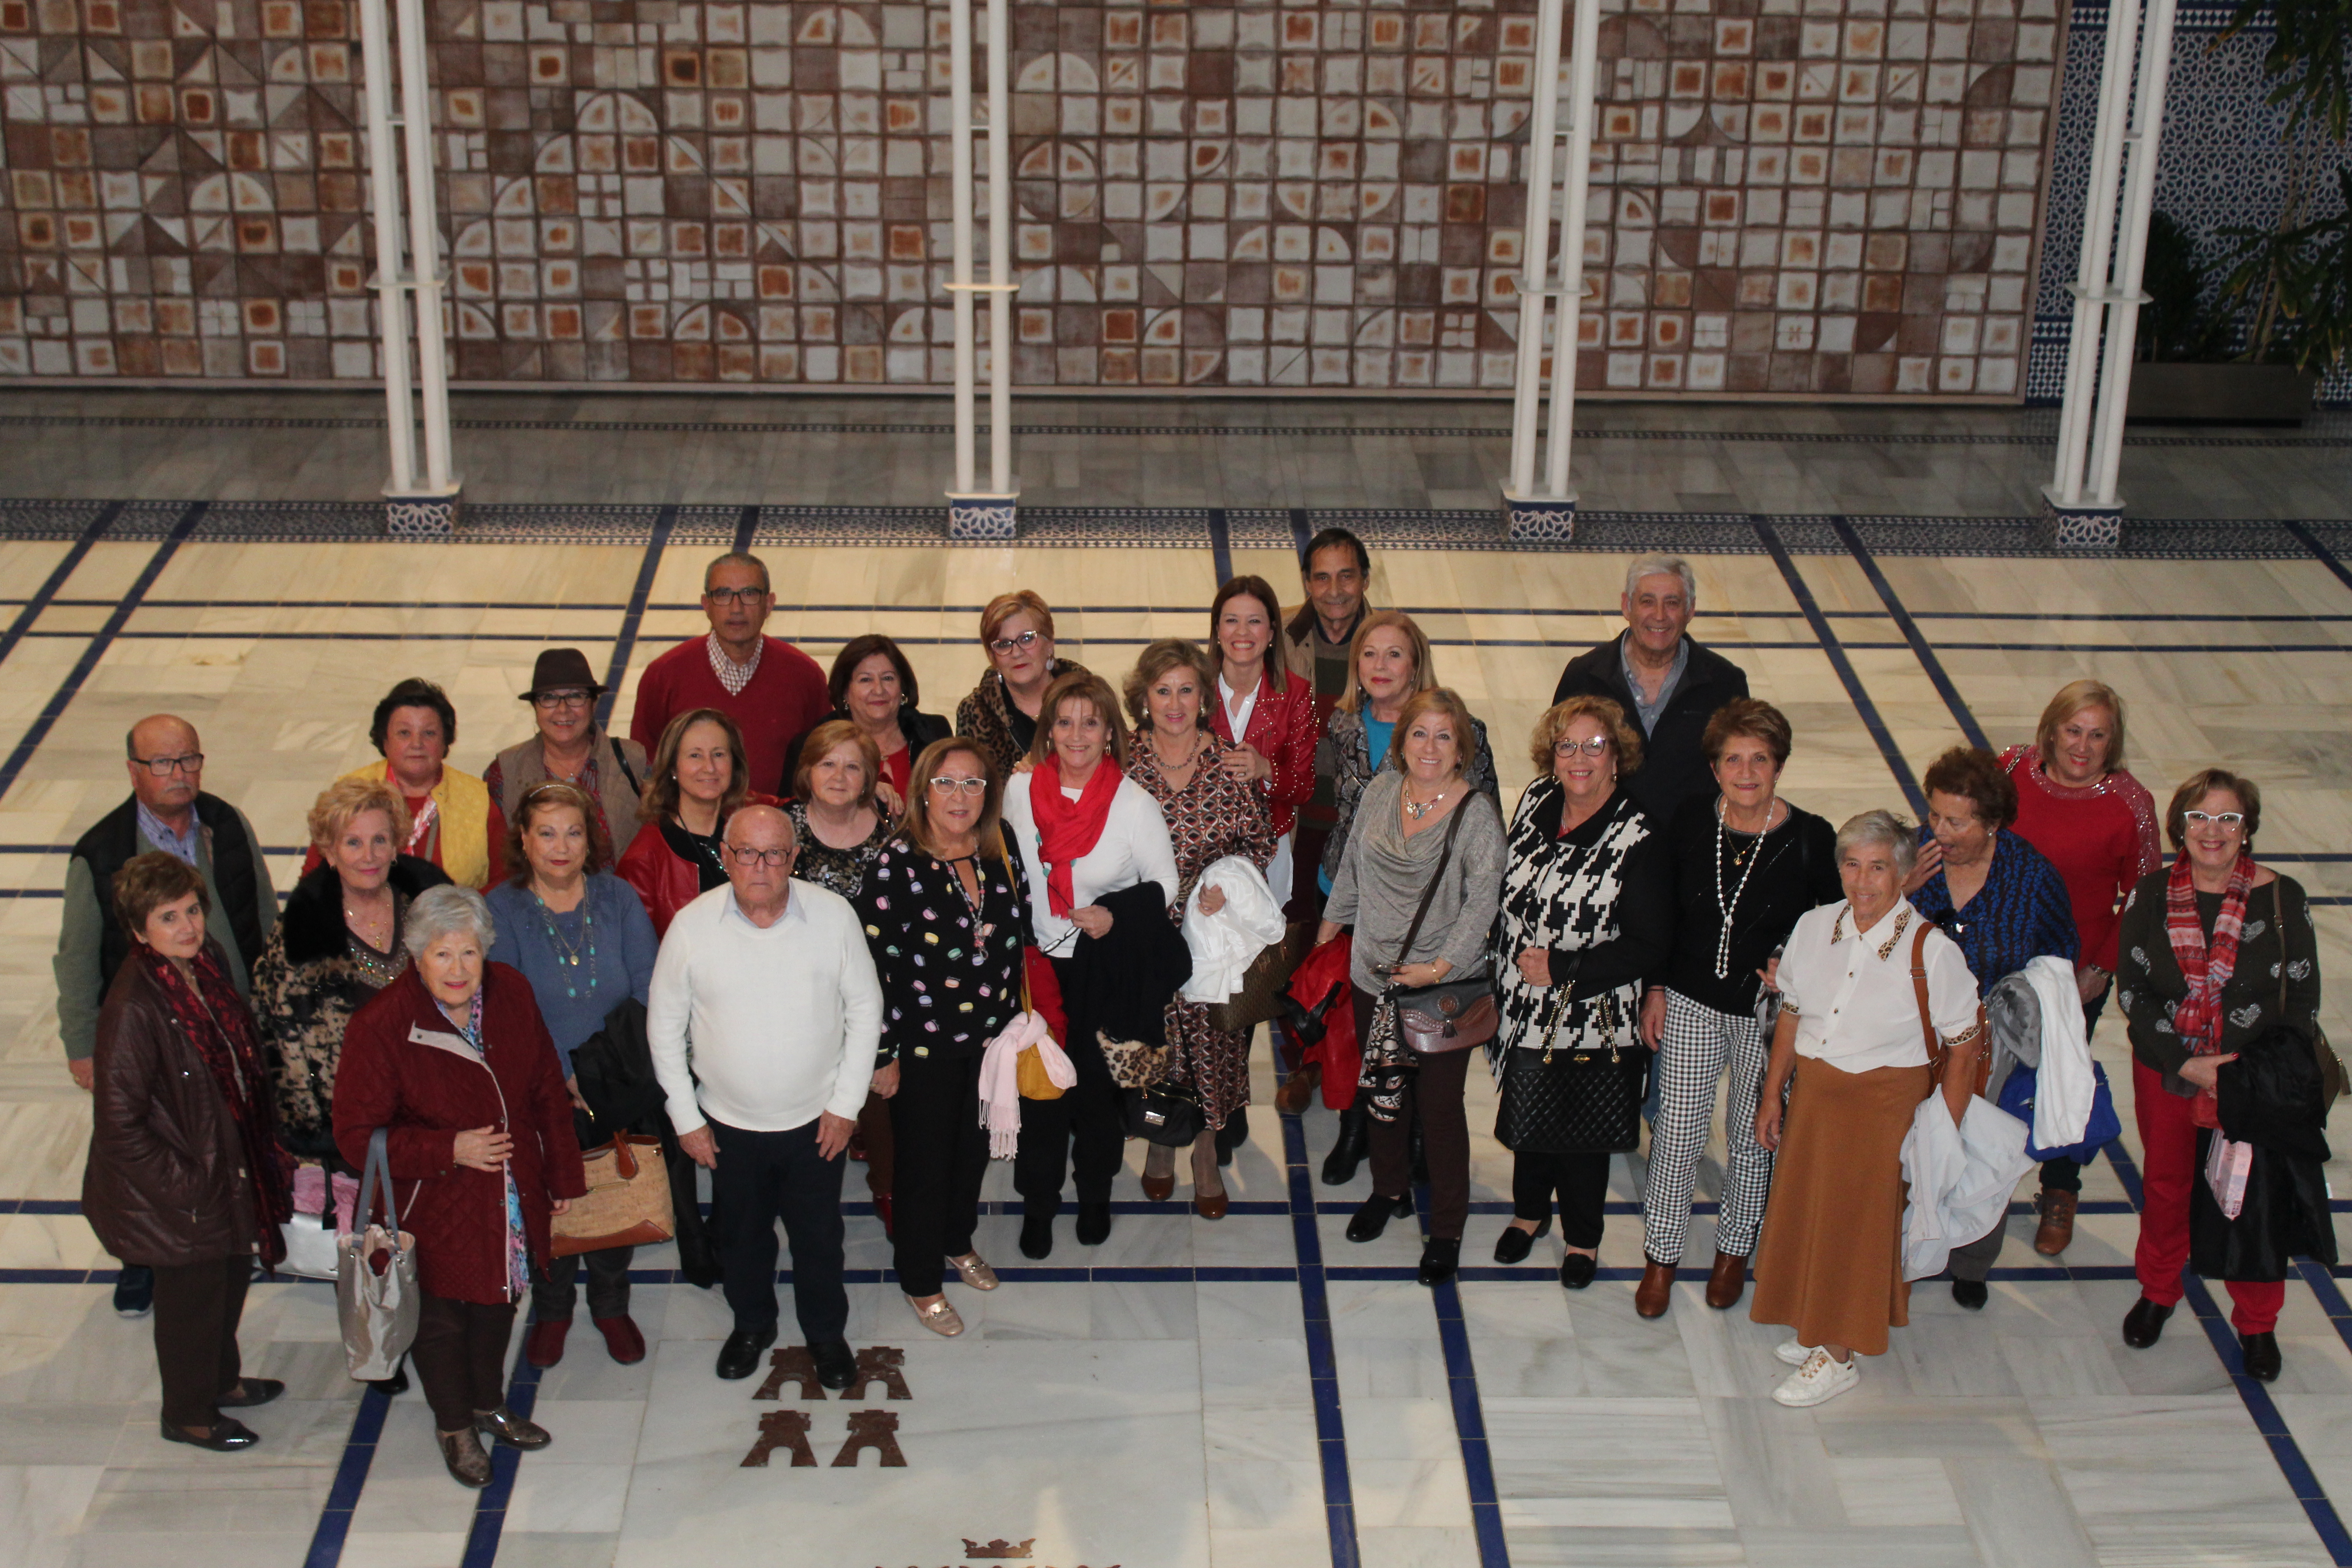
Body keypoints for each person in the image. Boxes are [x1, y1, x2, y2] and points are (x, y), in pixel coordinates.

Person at [334, 885, 586, 1487]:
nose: (458, 969)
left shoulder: (512, 993)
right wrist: (450, 1148)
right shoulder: (382, 1026)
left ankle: (487, 1403)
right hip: (431, 1205)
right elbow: (355, 1136)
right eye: (442, 955)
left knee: (499, 1302)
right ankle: (454, 1426)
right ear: (416, 957)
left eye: (468, 953)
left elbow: (547, 1086)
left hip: (507, 1197)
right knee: (441, 1322)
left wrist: (562, 1172)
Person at [1749, 810, 1982, 1408]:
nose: (1863, 881)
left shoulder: (1933, 952)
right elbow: (1793, 1017)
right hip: (1818, 1099)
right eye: (1852, 865)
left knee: (1857, 1228)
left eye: (1878, 867)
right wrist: (1773, 1093)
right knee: (1810, 1212)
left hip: (1882, 1106)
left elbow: (1964, 1049)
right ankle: (1817, 1324)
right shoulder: (1814, 927)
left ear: (1903, 872)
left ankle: (1840, 1352)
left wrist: (1943, 1134)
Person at [647, 805, 883, 1389]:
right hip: (727, 1127)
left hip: (816, 1125)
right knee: (742, 1238)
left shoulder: (833, 917)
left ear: (794, 858)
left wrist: (846, 1105)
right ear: (725, 857)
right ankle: (752, 1324)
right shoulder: (692, 926)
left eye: (775, 853)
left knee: (819, 1238)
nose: (760, 866)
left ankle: (826, 1334)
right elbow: (663, 1027)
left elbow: (865, 1008)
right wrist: (685, 1117)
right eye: (746, 853)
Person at [59, 713, 277, 1318]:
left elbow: (260, 906)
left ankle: (232, 1238)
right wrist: (82, 1046)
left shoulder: (226, 823)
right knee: (144, 1143)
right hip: (153, 1034)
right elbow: (76, 959)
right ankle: (141, 1260)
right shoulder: (101, 853)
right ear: (133, 770)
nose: (179, 775)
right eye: (163, 763)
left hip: (225, 1019)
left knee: (221, 1136)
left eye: (189, 760)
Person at [2114, 769, 2320, 1382]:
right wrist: (2186, 1062)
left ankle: (2257, 1324)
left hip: (2252, 1083)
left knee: (2255, 1201)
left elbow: (2302, 1000)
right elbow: (2134, 992)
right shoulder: (2150, 896)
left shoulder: (2283, 899)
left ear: (2248, 830)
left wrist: (2244, 1072)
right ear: (2180, 826)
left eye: (2228, 819)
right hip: (2169, 1073)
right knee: (2169, 1185)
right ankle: (2158, 1291)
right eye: (2200, 818)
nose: (2213, 832)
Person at [84, 852, 294, 1451]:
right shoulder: (132, 1007)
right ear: (138, 930)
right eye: (168, 917)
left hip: (223, 1171)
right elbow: (120, 1125)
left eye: (193, 910)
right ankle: (187, 1412)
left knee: (228, 1283)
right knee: (190, 1307)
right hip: (181, 1192)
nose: (188, 927)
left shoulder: (207, 962)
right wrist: (187, 1185)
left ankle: (220, 1382)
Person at [1637, 700, 1841, 1315]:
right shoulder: (1692, 819)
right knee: (1677, 1133)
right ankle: (1661, 1256)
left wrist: (1794, 970)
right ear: (1715, 766)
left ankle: (1733, 1252)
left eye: (1760, 759)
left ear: (1779, 766)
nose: (1746, 772)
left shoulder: (1811, 838)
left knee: (1757, 1137)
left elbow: (1834, 930)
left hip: (1767, 1017)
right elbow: (1663, 913)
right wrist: (1655, 987)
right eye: (1733, 759)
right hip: (1693, 1001)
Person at [251, 777, 450, 1398]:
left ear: (398, 844)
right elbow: (283, 1041)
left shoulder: (429, 910)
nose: (368, 854)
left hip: (431, 1112)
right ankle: (380, 1341)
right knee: (368, 1245)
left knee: (435, 1233)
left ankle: (440, 1334)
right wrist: (327, 1128)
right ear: (328, 850)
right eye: (352, 842)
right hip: (354, 1129)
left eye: (379, 840)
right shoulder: (300, 936)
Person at [1490, 696, 1673, 1295]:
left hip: (1590, 1010)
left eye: (1595, 746)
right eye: (1567, 745)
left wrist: (1564, 966)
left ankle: (1583, 1239)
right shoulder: (1540, 799)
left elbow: (1648, 943)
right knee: (1528, 1112)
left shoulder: (1637, 835)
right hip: (1524, 1000)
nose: (1579, 758)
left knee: (1581, 1134)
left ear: (1617, 758)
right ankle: (1529, 1213)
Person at [1326, 688, 1508, 1287]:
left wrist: (1437, 968)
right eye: (1419, 734)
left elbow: (1483, 905)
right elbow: (1352, 869)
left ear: (1462, 749)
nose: (1430, 748)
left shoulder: (1475, 815)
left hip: (1438, 990)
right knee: (1381, 1091)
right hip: (1371, 977)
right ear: (1402, 742)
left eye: (1444, 736)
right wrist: (1329, 938)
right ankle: (1389, 1190)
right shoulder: (1382, 792)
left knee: (1439, 1111)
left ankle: (1448, 1229)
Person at [1000, 670, 1181, 1258]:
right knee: (1041, 1094)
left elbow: (1166, 885)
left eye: (1091, 721)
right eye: (1065, 720)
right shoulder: (1018, 793)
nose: (1077, 733)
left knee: (1096, 1098)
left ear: (1110, 732)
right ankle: (1038, 1202)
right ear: (1048, 730)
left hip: (1101, 969)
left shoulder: (1134, 805)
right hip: (1037, 968)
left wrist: (1114, 914)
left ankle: (1095, 1194)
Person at [1313, 611, 1496, 1181]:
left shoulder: (1463, 731)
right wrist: (1330, 926)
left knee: (1429, 1086)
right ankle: (1361, 1140)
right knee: (1366, 1053)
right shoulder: (1342, 726)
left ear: (1416, 664)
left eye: (1395, 654)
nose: (1381, 666)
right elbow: (1331, 809)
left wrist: (1444, 959)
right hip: (1359, 892)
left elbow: (1481, 850)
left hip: (1433, 925)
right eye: (1370, 654)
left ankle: (1421, 1156)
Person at [856, 738, 1028, 1337]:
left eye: (974, 784)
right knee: (924, 1165)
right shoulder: (895, 864)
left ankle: (958, 1240)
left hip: (990, 1041)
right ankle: (920, 1277)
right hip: (922, 1049)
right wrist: (884, 1056)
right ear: (922, 791)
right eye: (947, 784)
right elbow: (870, 972)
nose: (961, 797)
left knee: (971, 1150)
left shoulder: (998, 848)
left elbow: (1019, 933)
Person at [485, 782, 660, 1371]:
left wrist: (602, 1075)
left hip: (616, 1082)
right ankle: (554, 1308)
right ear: (524, 841)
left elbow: (645, 984)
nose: (561, 846)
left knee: (615, 1196)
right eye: (547, 833)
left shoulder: (618, 899)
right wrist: (563, 1076)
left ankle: (611, 1305)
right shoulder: (502, 907)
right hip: (538, 1090)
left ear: (591, 839)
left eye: (574, 832)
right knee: (550, 1204)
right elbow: (506, 1006)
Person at [1905, 745, 2079, 1308]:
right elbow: (1857, 924)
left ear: (1994, 822)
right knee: (1913, 1147)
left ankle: (1972, 1262)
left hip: (1994, 1047)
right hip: (1915, 1036)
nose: (1939, 830)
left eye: (1956, 821)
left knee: (1983, 1154)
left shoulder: (2031, 876)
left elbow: (2059, 955)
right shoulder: (1911, 856)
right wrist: (1900, 893)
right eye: (1934, 814)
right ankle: (1908, 1248)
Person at [1994, 680, 2161, 1255]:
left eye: (2098, 735)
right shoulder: (2012, 768)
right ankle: (1971, 1189)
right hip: (1993, 958)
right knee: (1975, 1074)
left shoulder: (2129, 803)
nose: (2082, 747)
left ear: (2113, 742)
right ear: (2051, 728)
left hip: (2072, 975)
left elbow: (2144, 898)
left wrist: (2101, 970)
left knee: (2062, 1080)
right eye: (2073, 731)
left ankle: (2060, 1191)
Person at [1124, 639, 1279, 1217]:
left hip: (1216, 942)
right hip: (1150, 939)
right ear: (1143, 699)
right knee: (1159, 1048)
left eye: (1186, 689)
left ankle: (1207, 1152)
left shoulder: (1230, 762)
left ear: (1204, 696)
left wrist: (1228, 887)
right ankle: (1162, 1146)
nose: (1174, 702)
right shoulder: (1124, 764)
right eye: (1162, 690)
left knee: (1217, 1050)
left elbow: (1259, 843)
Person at [783, 720, 899, 1234]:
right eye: (827, 763)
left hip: (874, 998)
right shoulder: (779, 830)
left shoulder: (894, 833)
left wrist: (887, 1039)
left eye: (853, 766)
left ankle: (890, 1190)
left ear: (871, 777)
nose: (839, 775)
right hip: (797, 998)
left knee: (884, 1105)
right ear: (807, 772)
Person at [1551, 554, 1750, 824]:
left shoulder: (1724, 684)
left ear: (1690, 610)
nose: (1659, 616)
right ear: (1627, 606)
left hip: (1688, 851)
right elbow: (1557, 763)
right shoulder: (1583, 678)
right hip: (1601, 847)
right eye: (1647, 602)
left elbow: (1740, 774)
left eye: (1672, 603)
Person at [627, 551, 830, 799]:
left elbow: (825, 758)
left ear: (769, 604)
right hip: (691, 830)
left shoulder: (805, 676)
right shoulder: (663, 675)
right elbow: (646, 768)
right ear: (706, 605)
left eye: (749, 594)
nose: (736, 608)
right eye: (723, 595)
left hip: (781, 829)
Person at [1207, 575, 1318, 922]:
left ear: (1271, 634)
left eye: (1254, 621)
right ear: (1217, 631)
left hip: (1270, 849)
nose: (1243, 632)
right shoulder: (1191, 689)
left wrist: (1266, 770)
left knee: (1260, 952)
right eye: (1232, 621)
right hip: (1202, 841)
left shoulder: (1297, 693)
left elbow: (1304, 788)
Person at [313, 678, 494, 889]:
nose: (417, 744)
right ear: (384, 739)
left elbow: (505, 884)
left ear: (446, 740)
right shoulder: (348, 793)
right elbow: (314, 880)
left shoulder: (479, 798)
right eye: (404, 733)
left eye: (429, 733)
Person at [615, 709, 779, 937]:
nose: (709, 767)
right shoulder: (643, 862)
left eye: (719, 754)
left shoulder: (760, 820)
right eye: (695, 756)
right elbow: (642, 955)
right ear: (673, 767)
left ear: (735, 763)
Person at [484, 648, 651, 868]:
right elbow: (498, 859)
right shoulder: (505, 772)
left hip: (621, 900)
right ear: (535, 707)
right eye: (549, 698)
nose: (563, 710)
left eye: (575, 696)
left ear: (593, 704)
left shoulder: (634, 760)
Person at [1280, 528, 1373, 914]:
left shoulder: (1391, 642)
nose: (1335, 589)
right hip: (1293, 829)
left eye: (1346, 575)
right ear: (1307, 584)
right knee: (1292, 945)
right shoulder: (1277, 638)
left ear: (1366, 580)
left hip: (1362, 834)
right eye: (1322, 577)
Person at [786, 634, 954, 811]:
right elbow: (794, 815)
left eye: (888, 678)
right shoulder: (811, 747)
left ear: (903, 687)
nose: (879, 690)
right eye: (866, 680)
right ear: (845, 692)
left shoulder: (934, 734)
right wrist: (861, 791)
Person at [954, 589, 1089, 778]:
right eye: (1003, 644)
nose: (1016, 653)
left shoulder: (1091, 699)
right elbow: (971, 788)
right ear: (992, 657)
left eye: (1027, 639)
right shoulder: (975, 711)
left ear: (1050, 643)